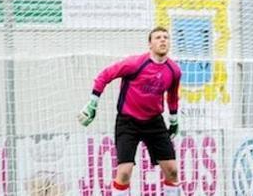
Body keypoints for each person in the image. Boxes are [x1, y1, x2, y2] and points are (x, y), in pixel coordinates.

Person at [77, 26, 182, 196]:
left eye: (165, 37)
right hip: (128, 122)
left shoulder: (174, 71)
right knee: (124, 173)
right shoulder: (135, 64)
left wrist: (174, 120)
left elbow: (172, 96)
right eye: (158, 37)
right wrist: (92, 104)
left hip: (154, 122)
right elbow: (105, 75)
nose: (163, 40)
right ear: (150, 44)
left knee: (172, 171)